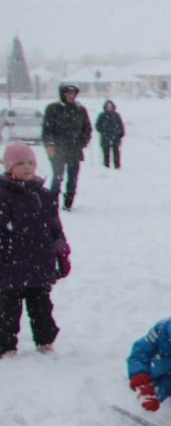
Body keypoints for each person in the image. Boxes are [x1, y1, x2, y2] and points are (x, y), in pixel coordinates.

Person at [1, 143, 68, 356]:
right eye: (20, 163)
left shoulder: (44, 195)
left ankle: (45, 340)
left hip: (39, 262)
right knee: (7, 310)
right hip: (9, 264)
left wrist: (61, 251)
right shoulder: (3, 194)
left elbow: (54, 226)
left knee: (42, 307)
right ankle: (6, 345)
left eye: (30, 163)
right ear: (8, 166)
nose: (26, 167)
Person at [41, 83, 92, 210]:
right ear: (62, 94)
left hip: (74, 150)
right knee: (58, 177)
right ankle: (52, 203)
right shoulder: (53, 109)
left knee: (73, 178)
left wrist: (82, 142)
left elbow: (87, 128)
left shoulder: (80, 110)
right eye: (68, 93)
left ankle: (68, 203)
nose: (71, 96)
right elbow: (47, 130)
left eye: (73, 93)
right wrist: (50, 145)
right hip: (57, 150)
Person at [94, 99, 125, 169]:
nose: (109, 107)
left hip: (115, 137)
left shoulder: (116, 115)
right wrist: (102, 130)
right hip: (105, 137)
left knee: (116, 153)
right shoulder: (102, 115)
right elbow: (97, 125)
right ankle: (106, 167)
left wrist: (121, 133)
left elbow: (121, 125)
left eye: (110, 106)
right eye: (108, 106)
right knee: (106, 153)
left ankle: (117, 166)